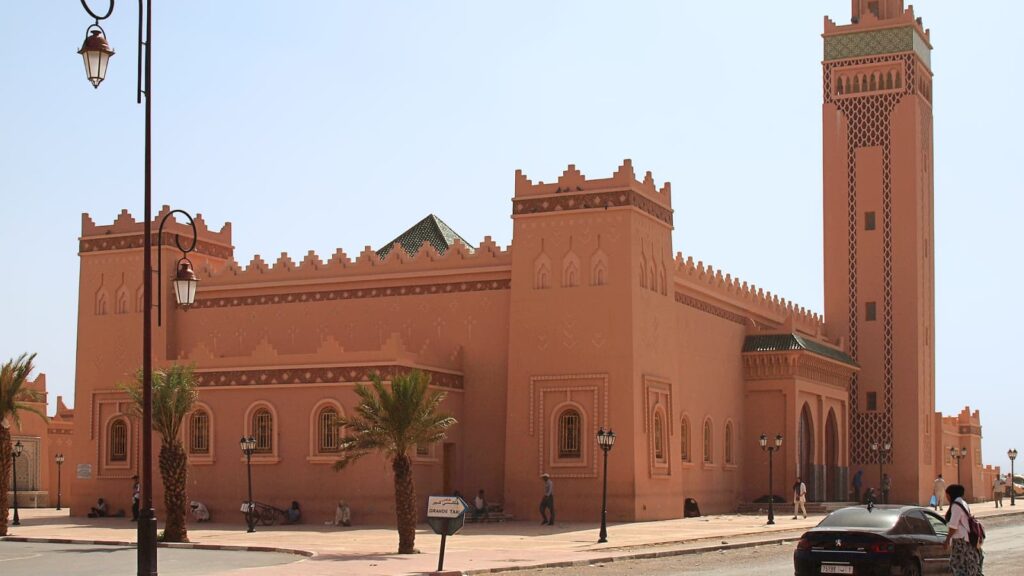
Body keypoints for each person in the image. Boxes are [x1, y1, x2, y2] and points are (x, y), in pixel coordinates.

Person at [943, 484, 983, 576]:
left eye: (947, 495)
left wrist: (947, 539)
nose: (947, 497)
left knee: (957, 565)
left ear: (951, 494)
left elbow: (953, 526)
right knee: (968, 565)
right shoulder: (962, 503)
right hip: (966, 539)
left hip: (960, 540)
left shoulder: (956, 505)